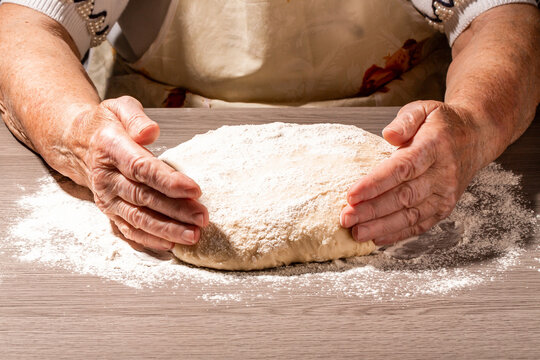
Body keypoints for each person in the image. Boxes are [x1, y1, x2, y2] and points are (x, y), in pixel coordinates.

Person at [0, 0, 538, 251]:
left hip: (401, 140)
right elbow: (25, 24)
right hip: (167, 139)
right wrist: (78, 130)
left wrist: (472, 124)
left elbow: (502, 16)